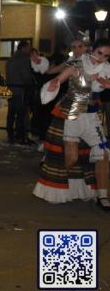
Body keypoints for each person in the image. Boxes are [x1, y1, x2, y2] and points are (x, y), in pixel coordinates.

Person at [34, 38, 110, 210]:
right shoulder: (76, 66)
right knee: (71, 158)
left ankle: (103, 196)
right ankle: (58, 185)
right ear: (92, 50)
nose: (102, 58)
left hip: (92, 115)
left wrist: (107, 84)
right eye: (100, 53)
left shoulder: (107, 69)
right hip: (74, 111)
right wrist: (54, 84)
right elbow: (58, 79)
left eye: (106, 56)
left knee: (103, 154)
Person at [5, 41, 38, 144]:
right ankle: (20, 136)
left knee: (11, 113)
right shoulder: (24, 59)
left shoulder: (10, 59)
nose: (30, 50)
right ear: (23, 48)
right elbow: (26, 76)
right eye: (28, 48)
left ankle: (10, 135)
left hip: (10, 89)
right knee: (21, 114)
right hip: (21, 90)